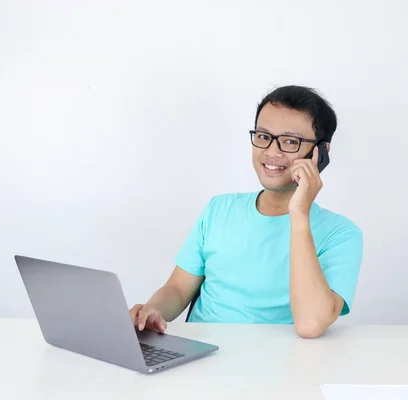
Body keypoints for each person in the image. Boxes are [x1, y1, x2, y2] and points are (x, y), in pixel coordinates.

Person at [130, 85, 363, 338]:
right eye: (263, 137)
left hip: (280, 368)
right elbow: (177, 288)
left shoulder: (341, 234)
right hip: (199, 359)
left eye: (290, 142)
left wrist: (299, 214)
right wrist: (154, 309)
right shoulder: (218, 209)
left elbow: (310, 324)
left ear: (320, 154)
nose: (272, 152)